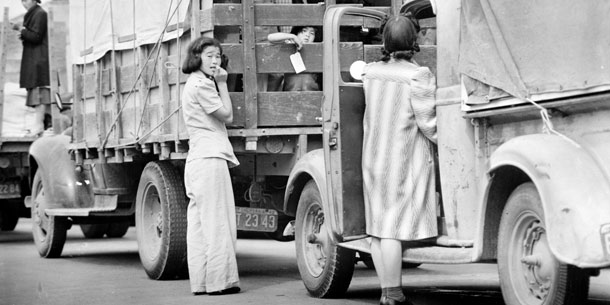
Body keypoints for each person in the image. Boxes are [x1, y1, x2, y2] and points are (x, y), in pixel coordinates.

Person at [360, 15, 437, 305]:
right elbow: (429, 123)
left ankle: (386, 291)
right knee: (392, 229)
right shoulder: (418, 76)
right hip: (401, 161)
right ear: (414, 41)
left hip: (373, 157)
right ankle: (393, 295)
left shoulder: (370, 72)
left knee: (377, 230)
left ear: (384, 41)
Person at [181, 36, 241, 296]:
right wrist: (223, 84)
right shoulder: (204, 85)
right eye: (209, 56)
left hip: (196, 160)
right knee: (218, 222)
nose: (215, 61)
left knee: (199, 226)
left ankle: (202, 283)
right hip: (210, 159)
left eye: (218, 56)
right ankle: (220, 282)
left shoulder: (191, 83)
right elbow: (227, 115)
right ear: (196, 58)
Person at [11, 0, 51, 135]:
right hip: (34, 58)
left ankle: (39, 126)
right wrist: (24, 33)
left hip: (38, 60)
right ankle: (39, 126)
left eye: (26, 0)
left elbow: (36, 36)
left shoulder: (39, 13)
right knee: (35, 93)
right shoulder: (33, 13)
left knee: (39, 93)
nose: (24, 3)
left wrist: (21, 29)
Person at [267, 26, 322, 91]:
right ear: (297, 33)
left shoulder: (318, 50)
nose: (307, 35)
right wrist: (292, 36)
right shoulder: (289, 45)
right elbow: (270, 37)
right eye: (304, 31)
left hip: (312, 95)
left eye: (312, 33)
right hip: (290, 94)